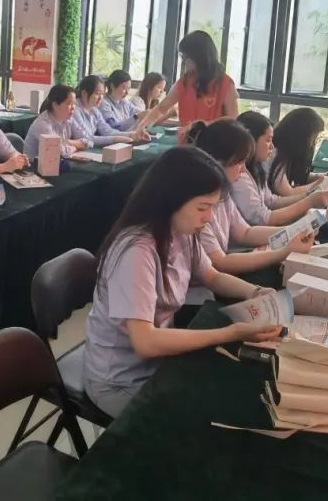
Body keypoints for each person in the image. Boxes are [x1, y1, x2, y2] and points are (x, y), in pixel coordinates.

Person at [82, 146, 282, 419]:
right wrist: (231, 333)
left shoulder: (181, 232)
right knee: (208, 416)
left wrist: (256, 292)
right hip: (120, 379)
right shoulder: (136, 252)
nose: (209, 218)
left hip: (158, 361)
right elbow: (145, 342)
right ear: (171, 200)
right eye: (203, 208)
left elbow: (211, 276)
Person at [186, 120, 315, 274]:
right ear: (217, 162)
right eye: (239, 163)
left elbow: (245, 233)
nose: (243, 170)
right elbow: (221, 263)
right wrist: (285, 250)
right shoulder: (198, 206)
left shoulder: (223, 193)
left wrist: (294, 231)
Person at [232, 111, 328, 227]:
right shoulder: (240, 176)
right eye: (268, 140)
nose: (272, 146)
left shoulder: (256, 168)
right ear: (251, 141)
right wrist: (310, 198)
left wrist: (309, 196)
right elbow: (263, 218)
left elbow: (272, 202)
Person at [136, 31, 238, 140]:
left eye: (186, 57)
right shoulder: (184, 83)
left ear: (199, 56)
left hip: (214, 143)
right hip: (187, 143)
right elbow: (161, 108)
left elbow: (233, 117)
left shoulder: (225, 83)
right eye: (182, 57)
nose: (184, 62)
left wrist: (203, 124)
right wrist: (142, 125)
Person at [71, 76, 148, 148]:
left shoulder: (94, 110)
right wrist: (114, 139)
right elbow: (85, 138)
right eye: (97, 94)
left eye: (102, 94)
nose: (101, 98)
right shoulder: (74, 110)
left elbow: (107, 130)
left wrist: (132, 135)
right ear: (84, 93)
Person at [268, 107, 327, 197]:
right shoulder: (274, 154)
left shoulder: (285, 153)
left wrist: (320, 177)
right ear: (301, 136)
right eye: (313, 137)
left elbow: (296, 175)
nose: (313, 143)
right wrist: (319, 183)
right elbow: (288, 192)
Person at [23, 84, 88, 160]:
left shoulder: (68, 119)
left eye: (74, 103)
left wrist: (67, 142)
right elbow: (61, 152)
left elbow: (87, 140)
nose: (73, 107)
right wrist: (76, 147)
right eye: (69, 104)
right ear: (55, 105)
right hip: (36, 165)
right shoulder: (43, 124)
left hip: (58, 162)